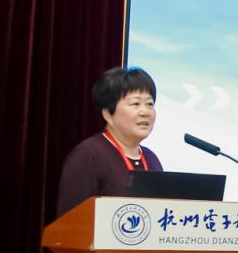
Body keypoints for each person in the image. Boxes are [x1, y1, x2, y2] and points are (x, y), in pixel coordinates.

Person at [55, 66, 163, 217]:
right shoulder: (88, 155)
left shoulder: (152, 159)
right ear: (107, 113)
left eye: (150, 104)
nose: (145, 112)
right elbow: (71, 222)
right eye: (135, 104)